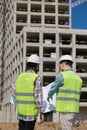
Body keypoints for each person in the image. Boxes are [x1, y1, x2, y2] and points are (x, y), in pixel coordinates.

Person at [47, 54, 83, 130]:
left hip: (65, 110)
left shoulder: (62, 76)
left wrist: (49, 95)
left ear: (63, 64)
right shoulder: (78, 79)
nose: (59, 66)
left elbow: (54, 87)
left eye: (60, 64)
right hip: (74, 110)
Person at [11, 54, 44, 130]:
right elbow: (38, 97)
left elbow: (13, 93)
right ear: (36, 66)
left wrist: (12, 88)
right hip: (30, 113)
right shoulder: (36, 78)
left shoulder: (20, 77)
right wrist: (41, 112)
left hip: (21, 112)